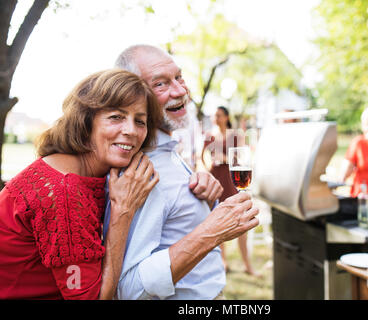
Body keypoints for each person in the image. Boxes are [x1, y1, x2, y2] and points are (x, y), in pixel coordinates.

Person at [104, 45, 260, 300]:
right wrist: (212, 232)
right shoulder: (142, 173)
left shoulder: (168, 151)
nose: (180, 90)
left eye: (178, 77)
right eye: (161, 84)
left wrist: (205, 196)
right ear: (132, 95)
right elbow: (129, 289)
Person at [0, 69, 161, 299]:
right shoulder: (64, 191)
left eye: (140, 121)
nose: (131, 131)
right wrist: (123, 212)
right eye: (116, 117)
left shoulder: (80, 172)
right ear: (86, 121)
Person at [201, 106, 258, 276]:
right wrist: (207, 166)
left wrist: (224, 159)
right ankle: (223, 263)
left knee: (242, 219)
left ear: (226, 117)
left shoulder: (235, 135)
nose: (215, 119)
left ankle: (247, 264)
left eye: (218, 115)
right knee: (218, 219)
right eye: (213, 116)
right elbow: (202, 156)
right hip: (216, 180)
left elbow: (244, 156)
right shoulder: (209, 135)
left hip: (232, 180)